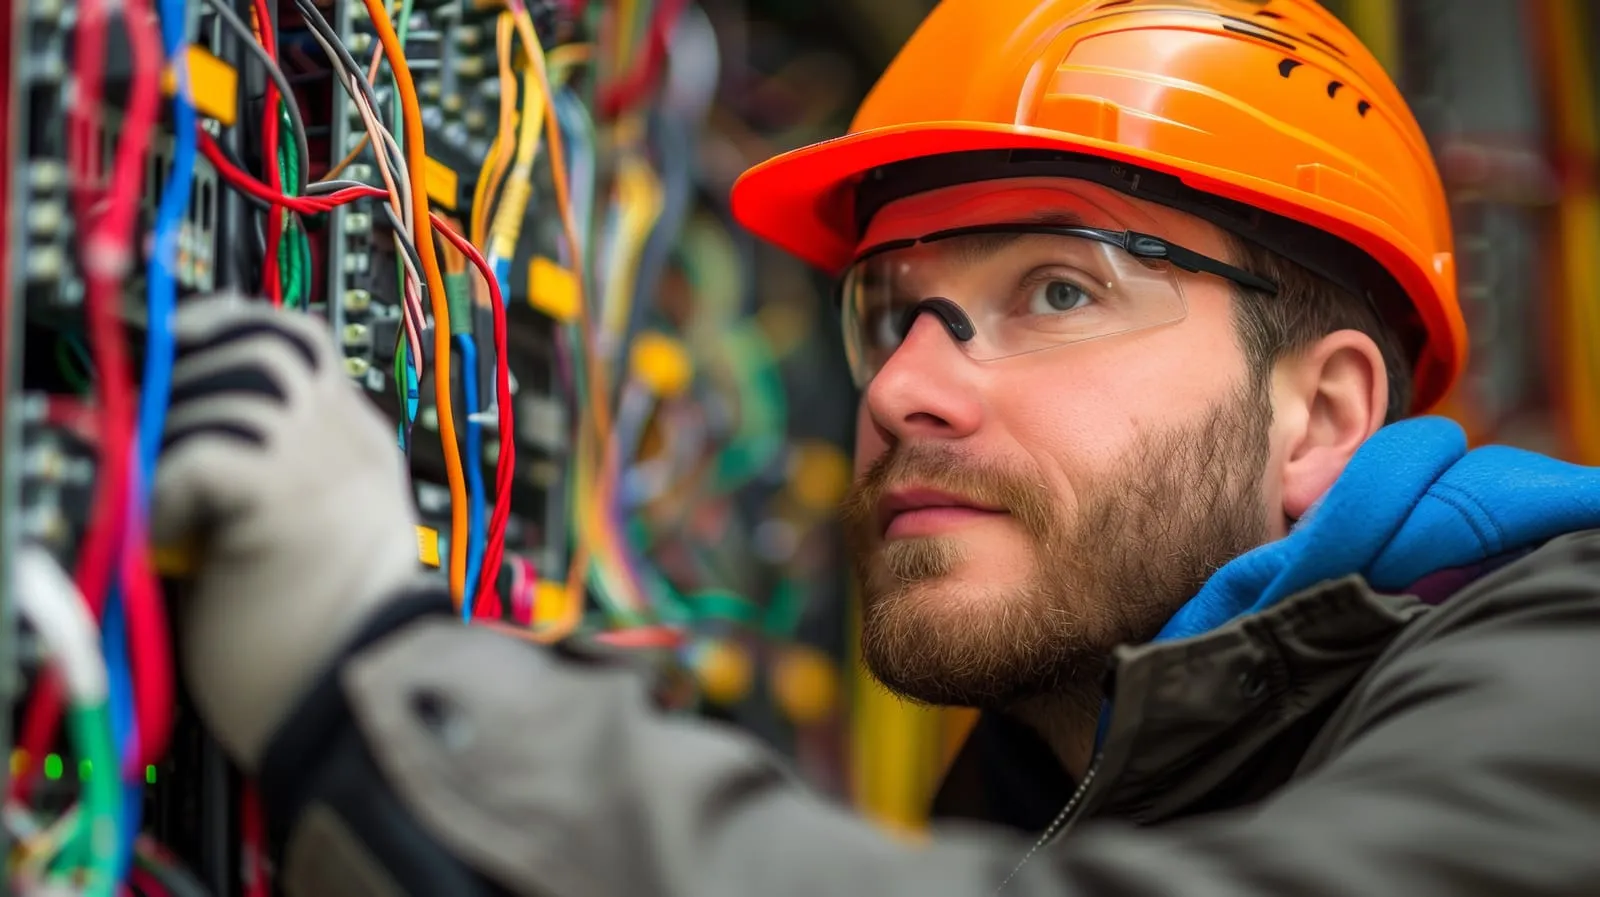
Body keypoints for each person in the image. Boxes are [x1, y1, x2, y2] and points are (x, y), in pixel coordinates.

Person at [152, 1, 1600, 894]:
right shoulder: (1050, 779)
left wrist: (376, 690)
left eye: (1057, 290)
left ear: (1322, 415)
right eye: (892, 310)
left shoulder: (1565, 671)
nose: (909, 384)